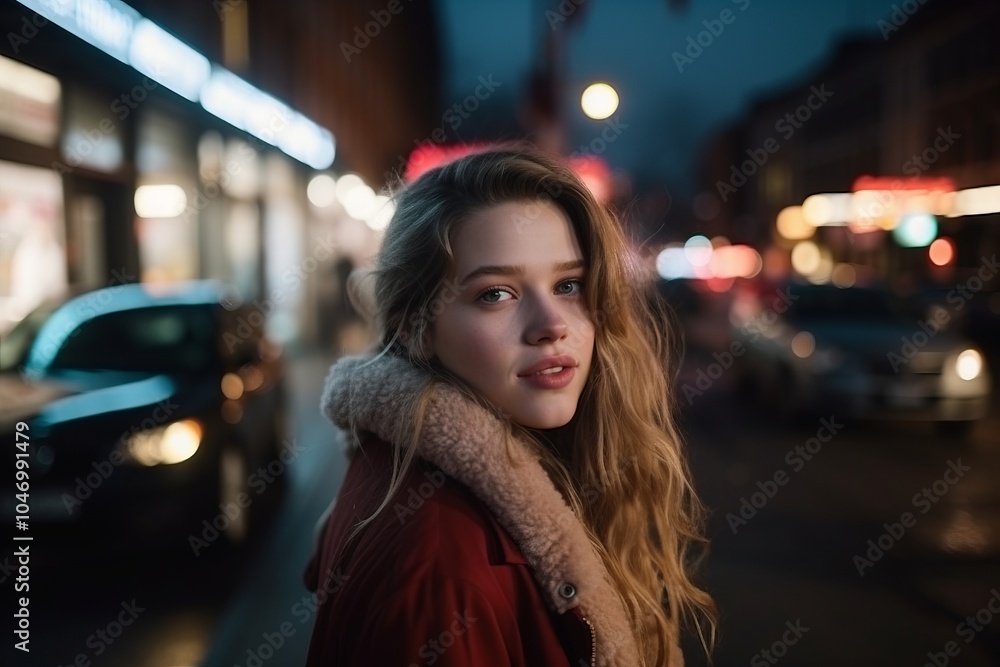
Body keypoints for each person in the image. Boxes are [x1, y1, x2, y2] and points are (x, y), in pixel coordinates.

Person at [303, 145, 715, 666]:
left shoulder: (405, 475)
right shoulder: (443, 569)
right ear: (415, 326)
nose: (552, 324)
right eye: (496, 294)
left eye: (568, 285)